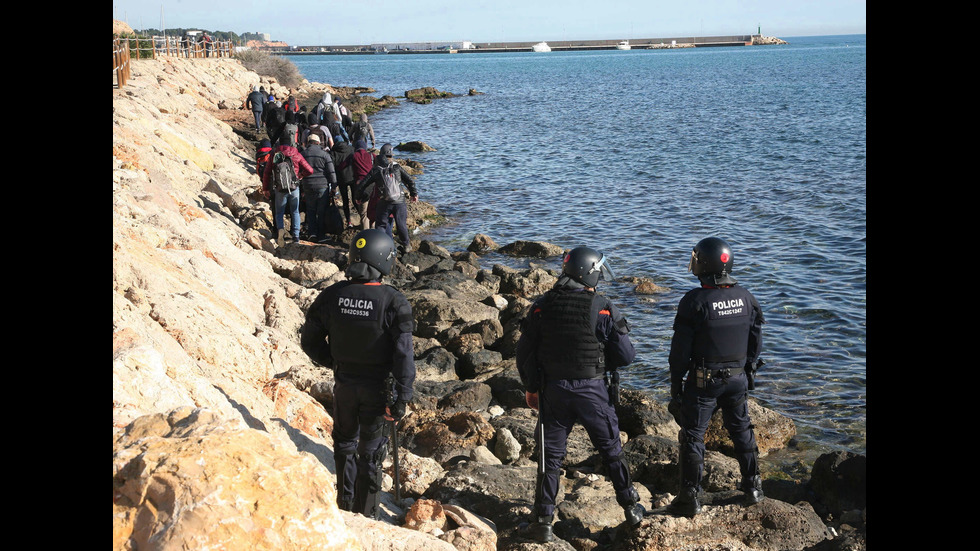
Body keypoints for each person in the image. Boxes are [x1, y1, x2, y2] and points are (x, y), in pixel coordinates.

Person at [515, 246, 645, 543]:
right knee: (611, 450)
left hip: (554, 392)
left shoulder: (541, 305)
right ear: (590, 271)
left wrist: (532, 387)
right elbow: (626, 356)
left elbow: (524, 352)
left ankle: (544, 521)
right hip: (592, 392)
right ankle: (631, 507)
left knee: (550, 458)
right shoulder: (602, 307)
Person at [300, 228, 416, 520]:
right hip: (377, 387)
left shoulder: (332, 296)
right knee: (371, 451)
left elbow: (309, 340)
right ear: (383, 260)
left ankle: (346, 505)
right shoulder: (393, 301)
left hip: (344, 384)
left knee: (344, 443)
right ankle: (368, 514)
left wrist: (335, 362)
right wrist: (402, 396)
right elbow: (403, 354)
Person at [667, 237, 766, 517]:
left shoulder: (694, 301)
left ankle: (690, 496)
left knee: (693, 437)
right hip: (737, 379)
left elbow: (680, 351)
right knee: (742, 431)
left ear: (704, 264)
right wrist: (748, 369)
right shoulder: (747, 297)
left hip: (703, 382)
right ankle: (753, 487)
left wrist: (676, 382)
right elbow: (755, 340)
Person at [356, 144, 418, 253]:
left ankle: (382, 247)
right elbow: (410, 180)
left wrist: (358, 197)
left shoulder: (376, 170)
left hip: (384, 201)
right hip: (399, 201)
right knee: (401, 224)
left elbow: (363, 184)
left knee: (381, 225)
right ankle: (407, 245)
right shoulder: (397, 167)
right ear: (391, 154)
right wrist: (414, 194)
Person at [262, 140, 313, 246]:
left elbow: (267, 173)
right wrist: (300, 175)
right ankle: (296, 237)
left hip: (280, 188)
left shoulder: (274, 154)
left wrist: (265, 189)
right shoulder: (296, 154)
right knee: (295, 211)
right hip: (294, 187)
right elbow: (310, 170)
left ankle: (281, 230)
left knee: (279, 212)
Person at [300, 134, 338, 242]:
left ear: (308, 142)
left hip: (307, 185)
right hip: (322, 186)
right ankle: (321, 235)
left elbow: (298, 170)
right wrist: (334, 186)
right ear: (318, 143)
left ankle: (312, 234)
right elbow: (331, 172)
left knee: (311, 210)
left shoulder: (303, 154)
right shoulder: (324, 154)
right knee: (321, 211)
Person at [331, 135, 356, 228]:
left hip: (341, 179)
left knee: (345, 201)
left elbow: (332, 167)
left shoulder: (333, 152)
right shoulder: (351, 149)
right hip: (352, 177)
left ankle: (348, 222)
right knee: (355, 199)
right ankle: (363, 218)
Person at [351, 140, 376, 229]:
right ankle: (374, 233)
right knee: (373, 212)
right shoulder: (372, 156)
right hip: (372, 185)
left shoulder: (354, 156)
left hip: (361, 185)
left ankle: (366, 234)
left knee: (364, 214)